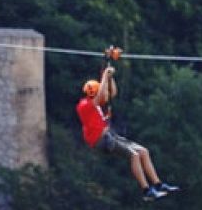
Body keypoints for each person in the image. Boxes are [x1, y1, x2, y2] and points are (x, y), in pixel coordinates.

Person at [76, 64, 177, 200]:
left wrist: (110, 78)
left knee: (143, 151)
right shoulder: (85, 105)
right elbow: (102, 96)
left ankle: (158, 184)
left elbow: (112, 93)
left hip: (110, 136)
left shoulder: (97, 104)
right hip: (101, 140)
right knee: (134, 155)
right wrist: (105, 76)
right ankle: (146, 191)